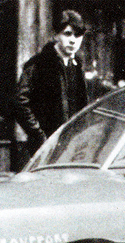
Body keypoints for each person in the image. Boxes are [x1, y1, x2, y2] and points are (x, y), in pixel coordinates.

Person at [14, 10, 88, 156]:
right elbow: (19, 102)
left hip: (72, 148)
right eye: (67, 34)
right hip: (45, 149)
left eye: (78, 35)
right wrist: (39, 135)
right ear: (55, 35)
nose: (73, 40)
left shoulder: (77, 66)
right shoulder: (38, 64)